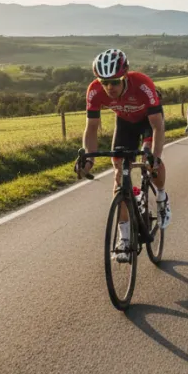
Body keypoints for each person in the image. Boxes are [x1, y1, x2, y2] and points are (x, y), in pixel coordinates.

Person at [76, 49, 170, 263]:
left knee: (149, 160)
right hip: (125, 124)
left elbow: (157, 126)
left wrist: (154, 156)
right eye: (104, 82)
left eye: (115, 81)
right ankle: (124, 238)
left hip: (149, 121)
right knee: (118, 171)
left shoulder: (142, 83)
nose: (110, 87)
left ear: (125, 75)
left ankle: (162, 197)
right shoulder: (94, 91)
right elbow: (91, 128)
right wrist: (89, 160)